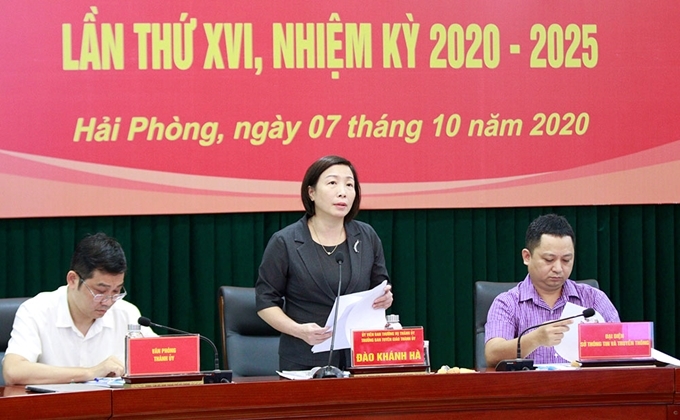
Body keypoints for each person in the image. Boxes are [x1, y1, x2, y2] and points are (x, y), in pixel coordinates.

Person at [256, 155, 394, 371]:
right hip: (304, 359)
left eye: (349, 185)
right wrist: (299, 330)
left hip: (359, 357)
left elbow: (381, 286)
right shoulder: (285, 241)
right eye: (332, 183)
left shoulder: (366, 236)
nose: (343, 192)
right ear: (311, 192)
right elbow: (265, 302)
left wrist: (385, 298)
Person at [2, 232, 154, 385]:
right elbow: (13, 371)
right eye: (100, 292)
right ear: (73, 280)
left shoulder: (127, 314)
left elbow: (160, 361)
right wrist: (90, 373)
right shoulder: (36, 311)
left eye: (116, 291)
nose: (108, 302)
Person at [484, 214, 620, 367]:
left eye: (566, 260)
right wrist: (535, 339)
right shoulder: (507, 303)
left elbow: (622, 348)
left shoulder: (593, 299)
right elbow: (492, 355)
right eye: (549, 260)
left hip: (584, 381)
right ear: (527, 257)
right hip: (530, 382)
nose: (558, 268)